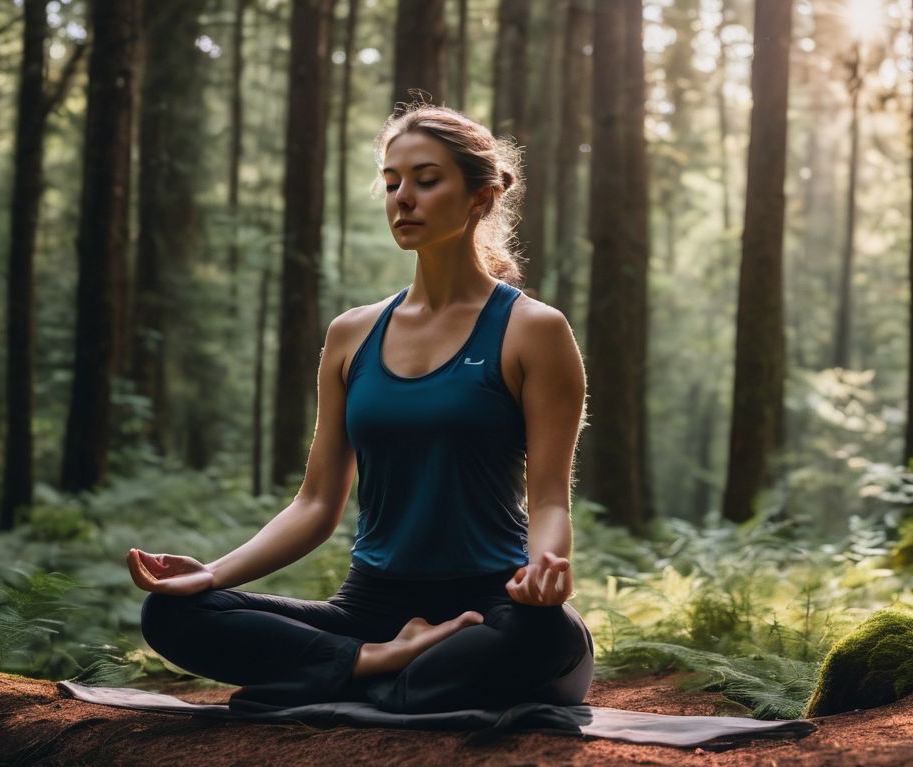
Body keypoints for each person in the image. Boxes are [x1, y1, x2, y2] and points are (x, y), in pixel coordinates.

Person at [127, 103, 594, 714]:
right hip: (371, 608)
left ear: (480, 197)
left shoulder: (533, 330)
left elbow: (551, 497)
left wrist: (546, 570)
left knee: (546, 633)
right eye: (393, 181)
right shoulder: (352, 334)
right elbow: (317, 503)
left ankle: (358, 673)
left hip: (494, 605)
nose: (403, 197)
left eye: (427, 180)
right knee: (173, 612)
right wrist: (211, 575)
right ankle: (382, 665)